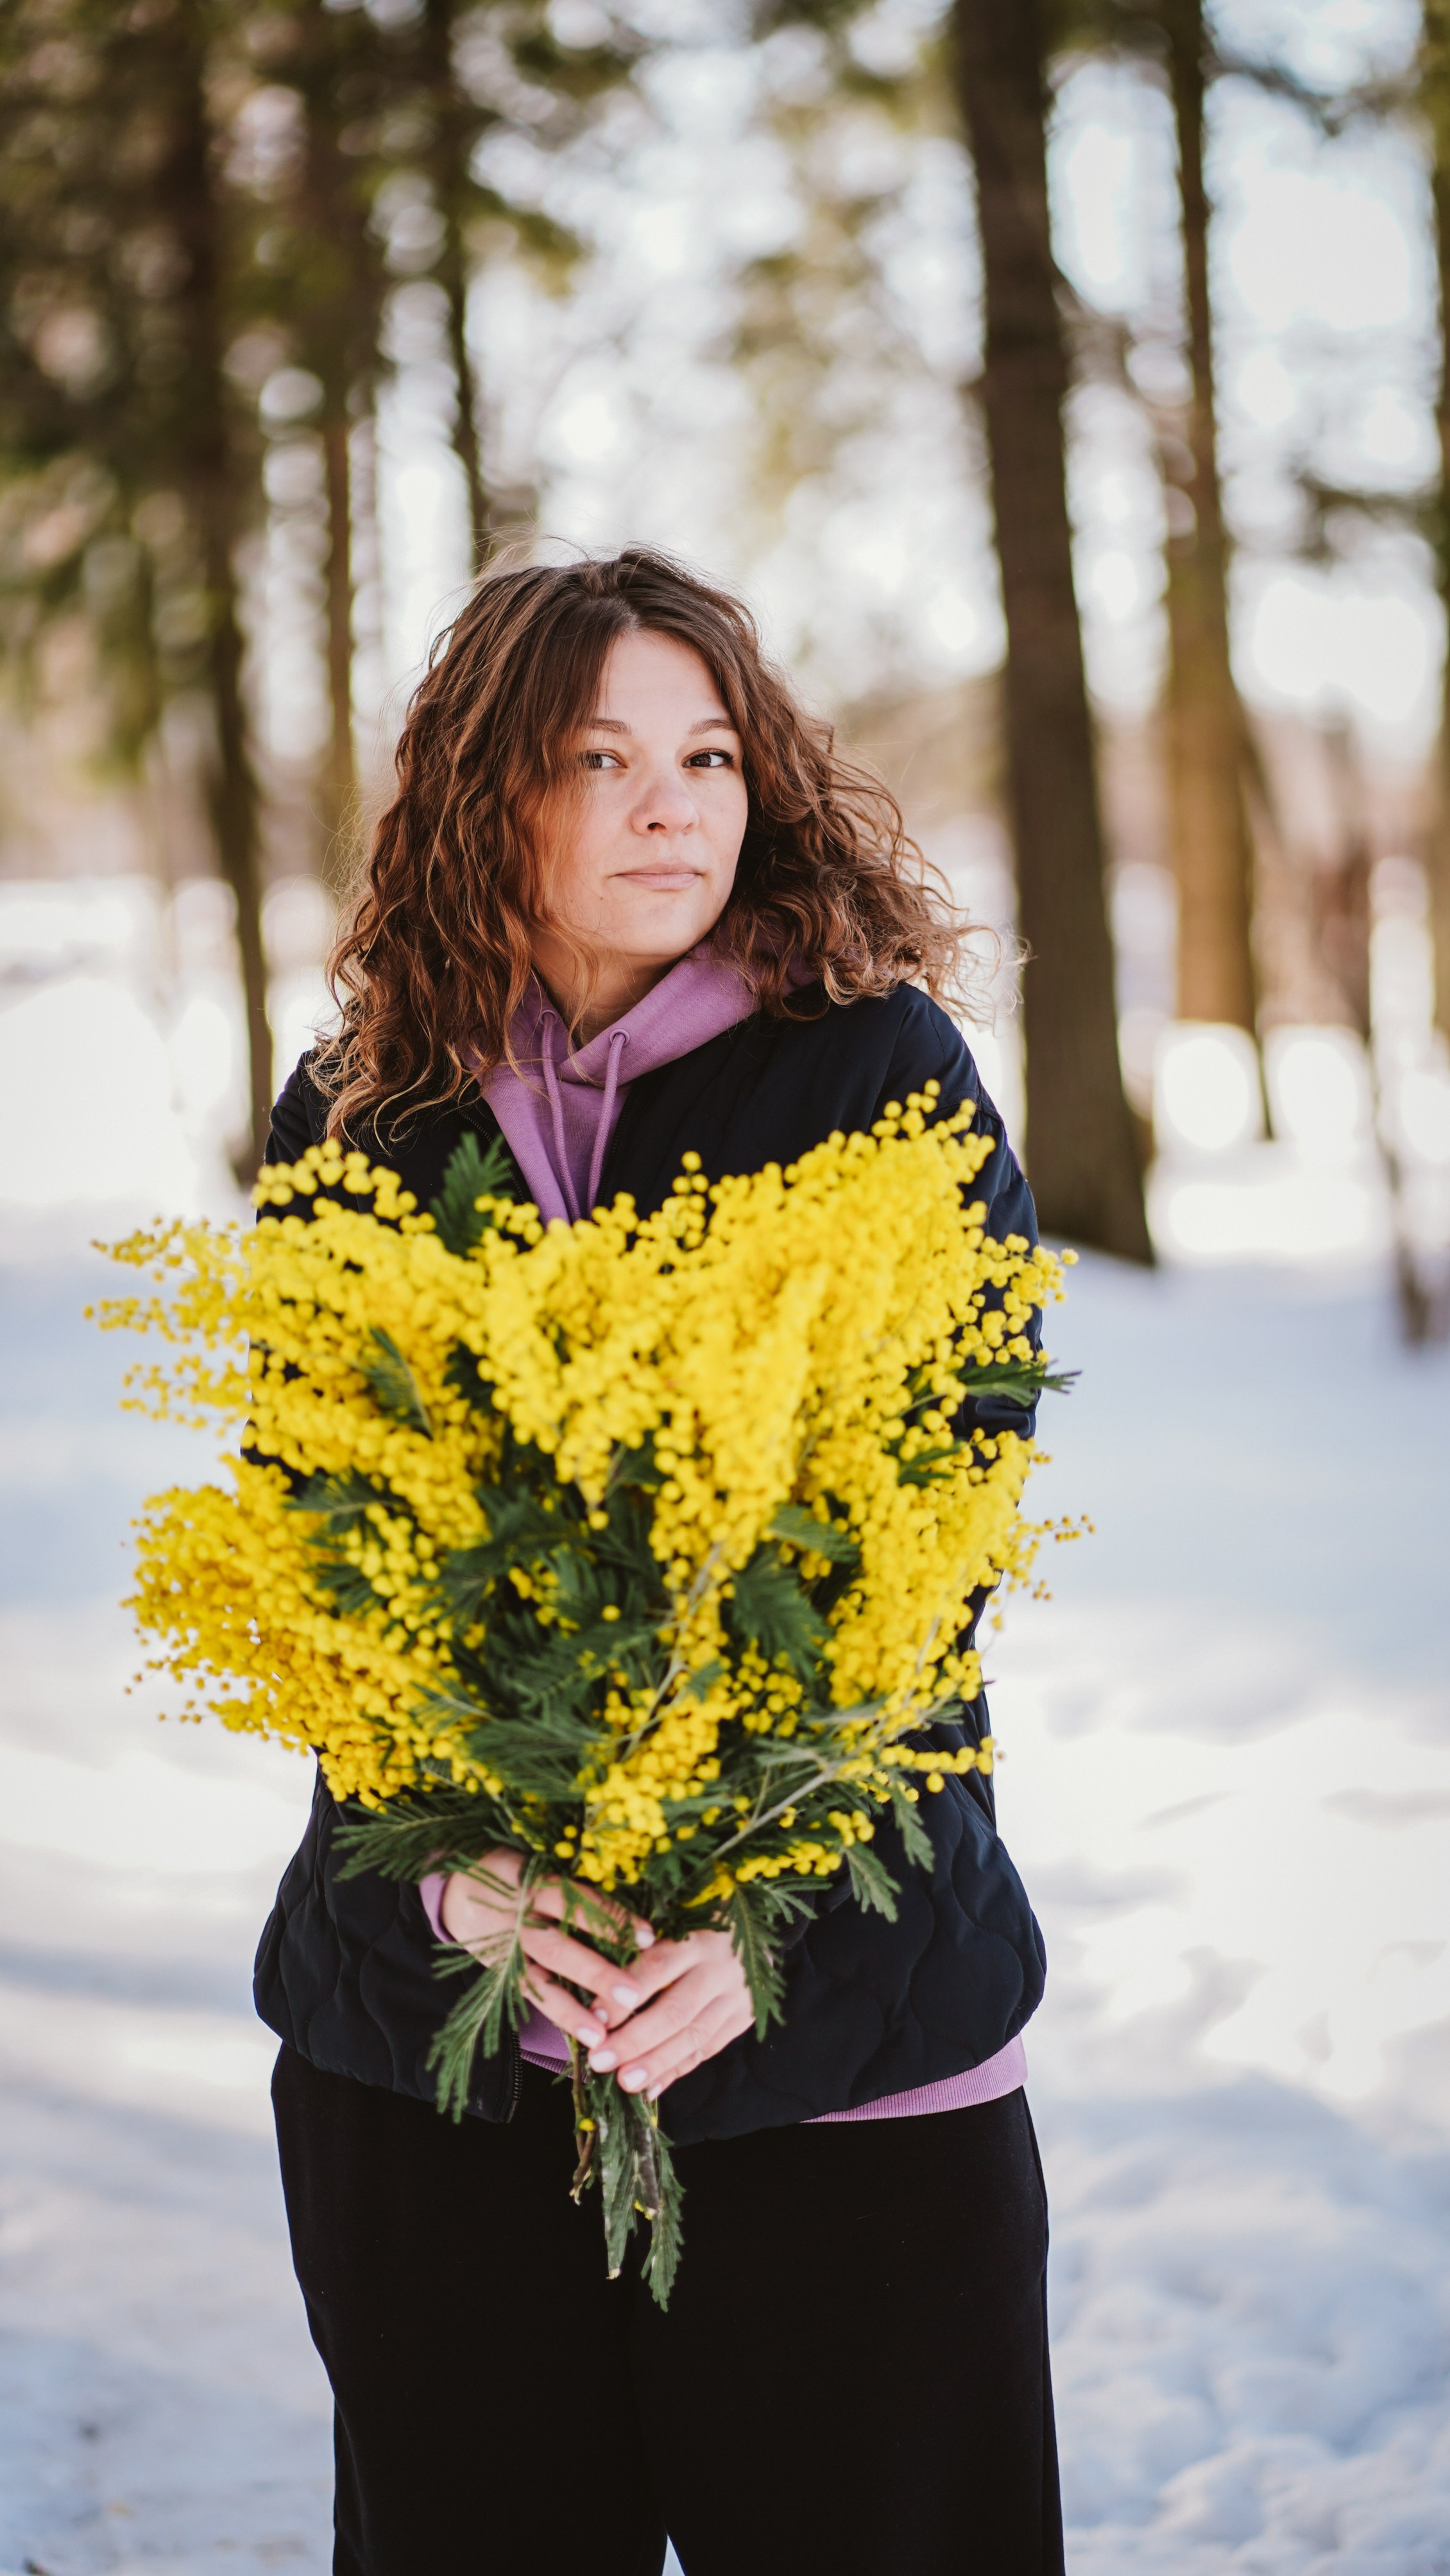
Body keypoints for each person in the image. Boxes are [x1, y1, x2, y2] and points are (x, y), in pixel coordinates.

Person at [257, 547, 1064, 2576]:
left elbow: (931, 1540)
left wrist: (769, 1918)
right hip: (433, 2064)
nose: (669, 803)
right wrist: (453, 1873)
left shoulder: (874, 1076)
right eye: (599, 754)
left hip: (836, 2057)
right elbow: (320, 1553)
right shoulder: (358, 1106)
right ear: (484, 796)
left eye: (707, 753)